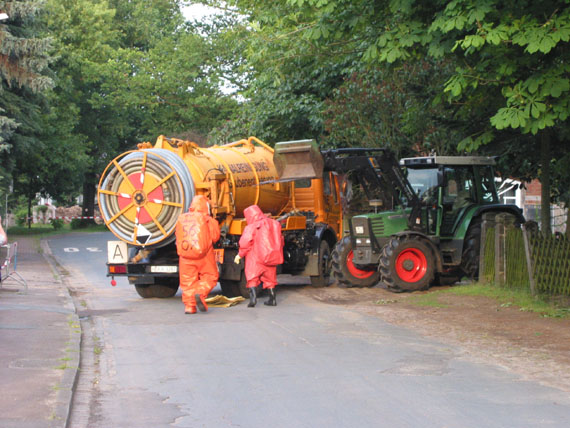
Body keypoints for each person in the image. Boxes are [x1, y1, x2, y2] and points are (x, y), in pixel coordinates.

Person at [175, 195, 220, 314]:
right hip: (204, 255)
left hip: (185, 256)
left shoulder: (182, 219)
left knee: (187, 281)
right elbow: (215, 237)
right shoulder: (208, 220)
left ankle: (190, 306)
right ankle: (200, 292)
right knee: (210, 276)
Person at [234, 205, 284, 307]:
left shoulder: (252, 227)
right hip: (270, 256)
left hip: (255, 257)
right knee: (270, 279)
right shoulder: (273, 224)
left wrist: (239, 255)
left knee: (252, 278)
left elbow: (245, 243)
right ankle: (272, 299)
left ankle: (253, 300)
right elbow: (280, 240)